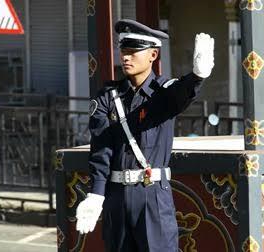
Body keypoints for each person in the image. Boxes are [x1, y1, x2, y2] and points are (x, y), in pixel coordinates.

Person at [75, 19, 215, 251]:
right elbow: (101, 149)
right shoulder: (107, 97)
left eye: (133, 51)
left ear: (153, 55)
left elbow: (180, 94)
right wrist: (96, 195)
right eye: (123, 50)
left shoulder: (164, 92)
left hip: (152, 196)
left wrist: (197, 76)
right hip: (116, 196)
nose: (126, 57)